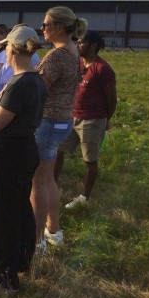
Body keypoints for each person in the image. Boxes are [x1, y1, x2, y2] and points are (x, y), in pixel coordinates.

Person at [0, 25, 47, 291]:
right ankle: (22, 260)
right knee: (20, 208)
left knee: (4, 213)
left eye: (6, 46)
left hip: (10, 153)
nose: (4, 50)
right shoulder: (36, 79)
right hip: (26, 148)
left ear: (12, 50)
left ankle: (4, 274)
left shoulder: (21, 83)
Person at [31, 6, 87, 252]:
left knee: (37, 183)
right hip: (62, 121)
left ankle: (36, 241)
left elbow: (37, 91)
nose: (42, 28)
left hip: (47, 122)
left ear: (60, 27)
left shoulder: (56, 56)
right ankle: (53, 230)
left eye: (46, 24)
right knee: (48, 179)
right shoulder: (73, 52)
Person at [55, 30, 117, 209]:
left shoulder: (103, 69)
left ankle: (84, 197)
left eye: (81, 42)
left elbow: (111, 99)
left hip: (91, 120)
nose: (78, 45)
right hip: (70, 117)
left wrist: (105, 118)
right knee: (58, 151)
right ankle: (51, 183)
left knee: (90, 160)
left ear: (93, 46)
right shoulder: (78, 63)